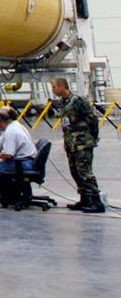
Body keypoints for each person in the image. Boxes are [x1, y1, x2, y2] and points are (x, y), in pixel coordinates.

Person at [51, 77, 104, 213]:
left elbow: (92, 120)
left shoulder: (78, 101)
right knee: (75, 172)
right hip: (71, 144)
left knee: (85, 172)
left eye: (54, 87)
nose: (53, 90)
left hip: (82, 144)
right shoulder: (63, 103)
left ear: (62, 87)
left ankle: (96, 202)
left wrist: (91, 138)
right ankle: (85, 200)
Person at [0, 106, 37, 205]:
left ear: (0, 120)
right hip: (27, 160)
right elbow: (0, 146)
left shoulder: (11, 132)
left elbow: (8, 155)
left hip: (23, 163)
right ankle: (1, 194)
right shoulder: (14, 125)